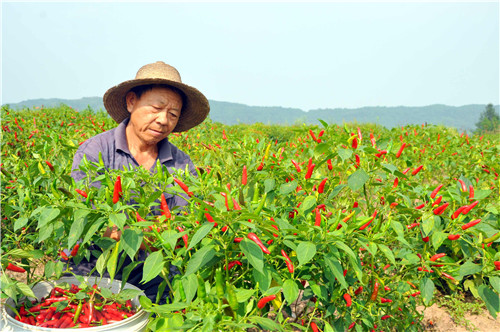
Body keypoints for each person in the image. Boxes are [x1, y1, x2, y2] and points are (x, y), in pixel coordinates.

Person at [70, 61, 210, 302]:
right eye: (156, 108)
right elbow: (89, 223)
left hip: (156, 274)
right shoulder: (95, 152)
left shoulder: (181, 164)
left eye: (173, 114)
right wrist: (155, 234)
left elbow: (184, 229)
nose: (163, 120)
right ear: (131, 101)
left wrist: (130, 234)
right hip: (93, 267)